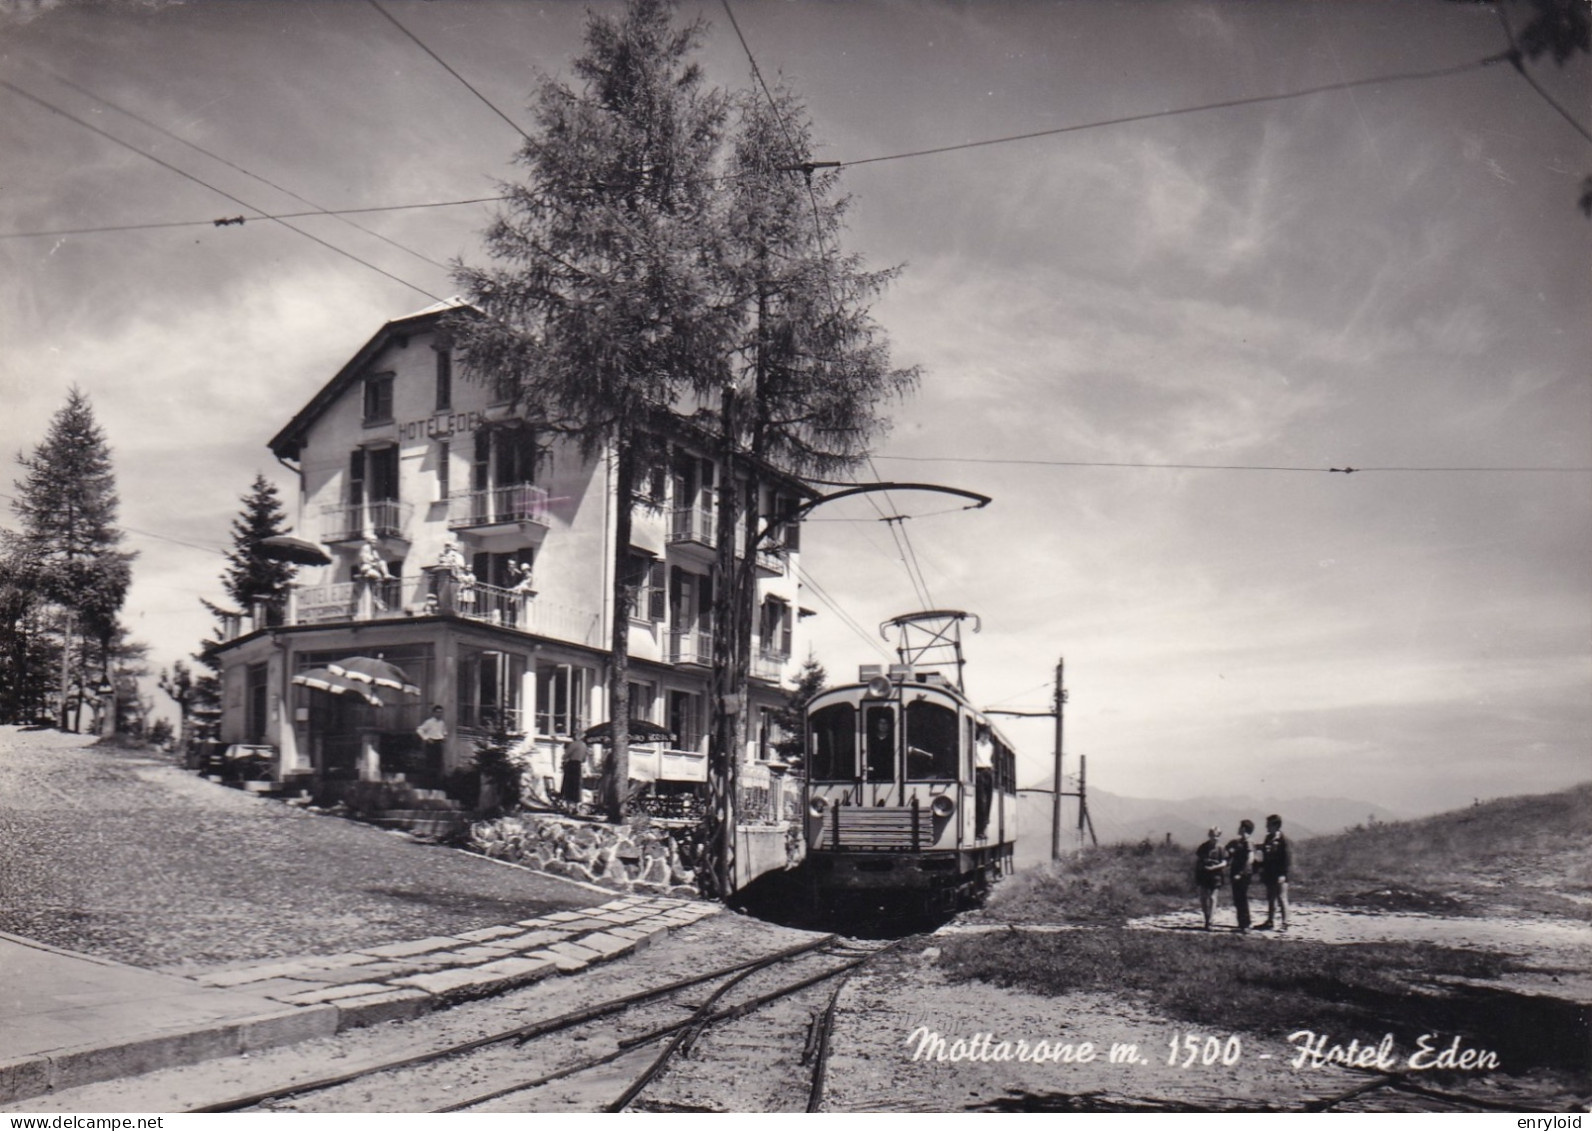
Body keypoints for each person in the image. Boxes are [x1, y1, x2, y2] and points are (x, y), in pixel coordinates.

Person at [1258, 813, 1291, 931]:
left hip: (1280, 874)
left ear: (1276, 826)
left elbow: (1287, 859)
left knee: (1282, 897)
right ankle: (1270, 921)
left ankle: (1285, 923)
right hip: (1269, 872)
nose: (1266, 827)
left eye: (1268, 825)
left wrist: (1283, 874)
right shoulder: (1268, 838)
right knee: (1271, 897)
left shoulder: (1283, 840)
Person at [1194, 826, 1227, 930]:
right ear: (1209, 835)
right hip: (1204, 873)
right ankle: (1206, 918)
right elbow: (1199, 859)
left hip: (1216, 874)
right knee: (1203, 897)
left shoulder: (1221, 848)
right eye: (1213, 835)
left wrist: (1214, 867)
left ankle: (1211, 921)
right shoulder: (1203, 847)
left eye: (1217, 835)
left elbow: (1224, 862)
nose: (1214, 837)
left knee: (1213, 897)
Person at [1225, 819, 1256, 933]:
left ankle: (1245, 924)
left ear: (1243, 828)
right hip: (1236, 872)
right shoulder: (1239, 842)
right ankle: (1242, 923)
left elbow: (1250, 859)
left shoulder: (1248, 842)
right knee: (1238, 898)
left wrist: (1241, 873)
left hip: (1243, 874)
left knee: (1242, 898)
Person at [416, 705, 447, 787]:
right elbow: (419, 730)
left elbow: (444, 732)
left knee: (438, 763)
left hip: (439, 743)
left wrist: (444, 737)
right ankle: (427, 783)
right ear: (434, 713)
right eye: (437, 712)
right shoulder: (429, 722)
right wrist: (426, 738)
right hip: (431, 743)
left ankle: (436, 784)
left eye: (441, 712)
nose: (439, 714)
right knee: (430, 763)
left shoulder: (442, 723)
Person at [973, 724, 994, 838]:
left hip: (988, 772)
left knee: (988, 802)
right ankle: (979, 830)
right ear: (980, 734)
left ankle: (984, 828)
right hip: (979, 772)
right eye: (984, 734)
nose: (986, 736)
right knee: (981, 801)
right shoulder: (975, 745)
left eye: (988, 734)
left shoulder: (990, 746)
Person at [560, 736, 589, 813]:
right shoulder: (584, 745)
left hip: (571, 765)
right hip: (578, 765)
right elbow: (584, 759)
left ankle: (569, 807)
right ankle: (576, 806)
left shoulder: (573, 744)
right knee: (577, 786)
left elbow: (565, 756)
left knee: (569, 786)